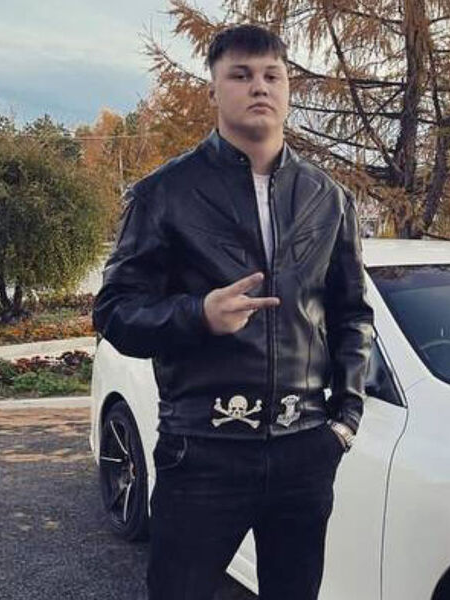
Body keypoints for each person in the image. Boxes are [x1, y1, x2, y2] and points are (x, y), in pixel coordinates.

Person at [92, 24, 374, 600]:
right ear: (214, 90)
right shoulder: (164, 194)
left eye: (272, 75)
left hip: (304, 449)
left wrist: (345, 419)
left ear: (288, 87)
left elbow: (352, 314)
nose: (259, 87)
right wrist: (198, 314)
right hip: (202, 449)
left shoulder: (329, 198)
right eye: (241, 75)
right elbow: (115, 311)